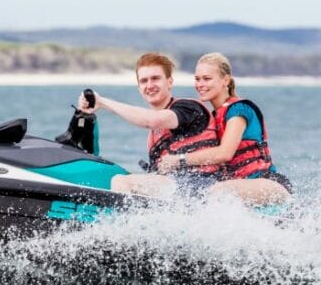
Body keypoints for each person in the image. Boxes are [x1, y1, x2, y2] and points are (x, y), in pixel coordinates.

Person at [157, 52, 291, 205]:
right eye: (197, 79)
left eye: (207, 79)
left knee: (216, 191)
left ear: (225, 80)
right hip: (237, 187)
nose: (200, 84)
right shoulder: (213, 119)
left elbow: (224, 153)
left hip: (267, 183)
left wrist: (179, 160)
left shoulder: (239, 110)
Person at [78, 52, 220, 196]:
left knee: (122, 182)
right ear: (139, 88)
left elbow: (151, 120)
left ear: (169, 81)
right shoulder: (154, 136)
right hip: (177, 189)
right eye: (144, 81)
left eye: (155, 78)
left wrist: (102, 102)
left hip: (201, 185)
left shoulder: (189, 108)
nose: (150, 85)